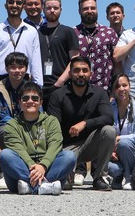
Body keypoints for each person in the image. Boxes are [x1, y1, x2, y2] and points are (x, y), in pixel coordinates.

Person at [48, 56, 116, 190]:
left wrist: (85, 123)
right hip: (66, 148)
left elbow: (108, 117)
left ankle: (100, 177)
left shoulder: (99, 93)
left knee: (109, 131)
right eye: (76, 70)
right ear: (70, 74)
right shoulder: (58, 95)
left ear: (90, 73)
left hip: (89, 145)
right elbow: (52, 128)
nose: (81, 74)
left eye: (85, 70)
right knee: (64, 186)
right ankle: (66, 174)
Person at [0, 82, 76, 195]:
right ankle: (45, 187)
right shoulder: (11, 125)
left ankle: (31, 188)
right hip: (21, 172)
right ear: (20, 102)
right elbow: (18, 149)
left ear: (40, 103)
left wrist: (43, 166)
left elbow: (55, 145)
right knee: (5, 154)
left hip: (49, 168)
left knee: (70, 156)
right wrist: (35, 167)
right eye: (25, 98)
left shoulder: (51, 121)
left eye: (35, 98)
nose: (30, 101)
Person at [0, 0, 43, 86]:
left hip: (24, 80)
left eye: (18, 3)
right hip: (0, 80)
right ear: (5, 5)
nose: (14, 5)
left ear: (23, 7)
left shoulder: (31, 31)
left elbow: (36, 60)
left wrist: (38, 85)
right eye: (11, 2)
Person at [107, 74, 135, 190]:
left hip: (134, 153)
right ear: (114, 90)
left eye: (124, 85)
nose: (121, 89)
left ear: (130, 86)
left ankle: (129, 178)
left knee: (124, 144)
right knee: (111, 168)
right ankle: (118, 177)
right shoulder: (110, 107)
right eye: (117, 86)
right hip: (115, 154)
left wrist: (119, 139)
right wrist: (110, 150)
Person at [38, 0, 80, 105]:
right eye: (49, 8)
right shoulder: (36, 32)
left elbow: (74, 59)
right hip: (39, 86)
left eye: (55, 8)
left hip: (61, 85)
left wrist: (60, 81)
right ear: (43, 9)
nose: (52, 11)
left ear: (61, 10)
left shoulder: (68, 31)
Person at [75, 0, 118, 90]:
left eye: (93, 8)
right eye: (85, 8)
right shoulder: (72, 33)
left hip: (104, 91)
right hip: (78, 91)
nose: (90, 11)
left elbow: (117, 63)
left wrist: (114, 91)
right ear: (79, 11)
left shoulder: (109, 32)